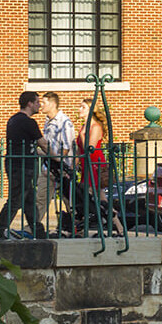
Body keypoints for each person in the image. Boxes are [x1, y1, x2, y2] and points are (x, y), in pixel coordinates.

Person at [0, 91, 49, 239]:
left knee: (29, 201)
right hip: (23, 166)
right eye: (37, 102)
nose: (39, 105)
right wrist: (57, 157)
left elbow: (28, 145)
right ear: (29, 103)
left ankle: (38, 231)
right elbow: (43, 144)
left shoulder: (13, 120)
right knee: (16, 200)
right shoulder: (29, 122)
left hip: (14, 163)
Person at [75, 96, 124, 236]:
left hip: (95, 165)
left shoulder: (95, 127)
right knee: (94, 197)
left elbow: (89, 147)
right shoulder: (84, 127)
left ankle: (113, 225)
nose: (80, 110)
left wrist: (83, 134)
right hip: (86, 166)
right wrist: (74, 165)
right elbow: (79, 150)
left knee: (92, 196)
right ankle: (115, 226)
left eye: (83, 107)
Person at [40, 91, 75, 235]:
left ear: (53, 104)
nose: (41, 105)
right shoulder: (48, 121)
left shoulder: (64, 122)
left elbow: (67, 147)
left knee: (68, 200)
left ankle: (76, 227)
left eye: (44, 103)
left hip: (61, 168)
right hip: (47, 167)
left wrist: (60, 163)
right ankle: (32, 228)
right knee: (41, 198)